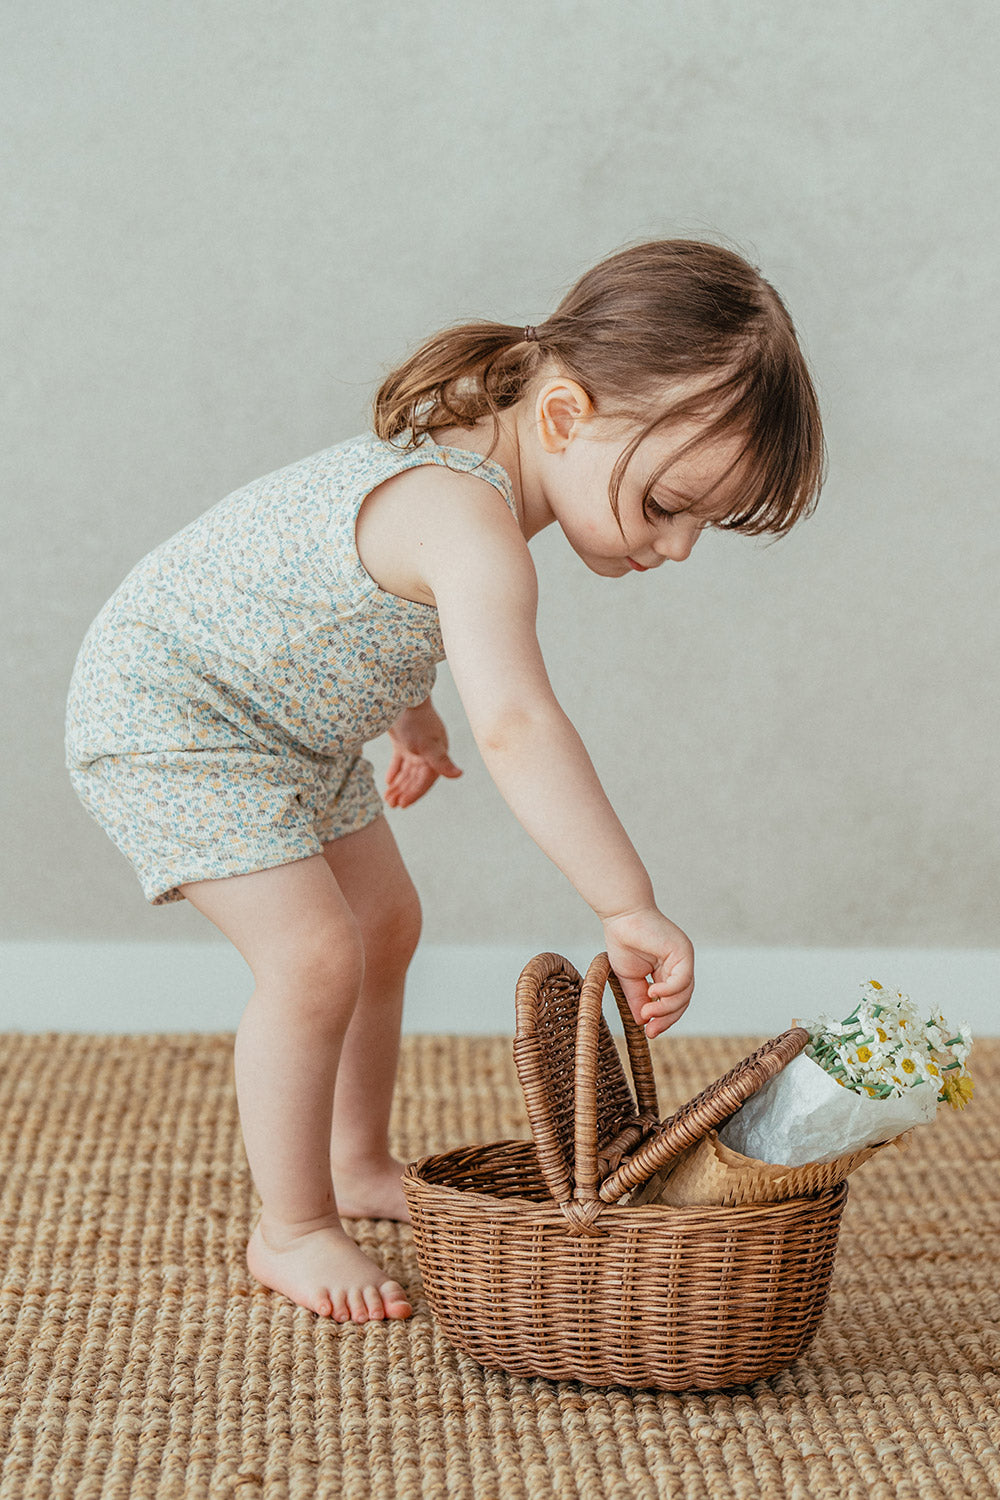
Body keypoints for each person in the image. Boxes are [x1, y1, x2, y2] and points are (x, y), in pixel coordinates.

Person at [65, 239, 825, 1325]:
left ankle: (357, 1159)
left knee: (384, 919)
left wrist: (405, 715)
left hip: (281, 723)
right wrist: (624, 900)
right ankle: (291, 1228)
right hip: (173, 716)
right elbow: (516, 724)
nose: (682, 546)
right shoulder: (468, 517)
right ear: (565, 417)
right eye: (667, 503)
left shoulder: (467, 479)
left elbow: (345, 601)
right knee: (314, 954)